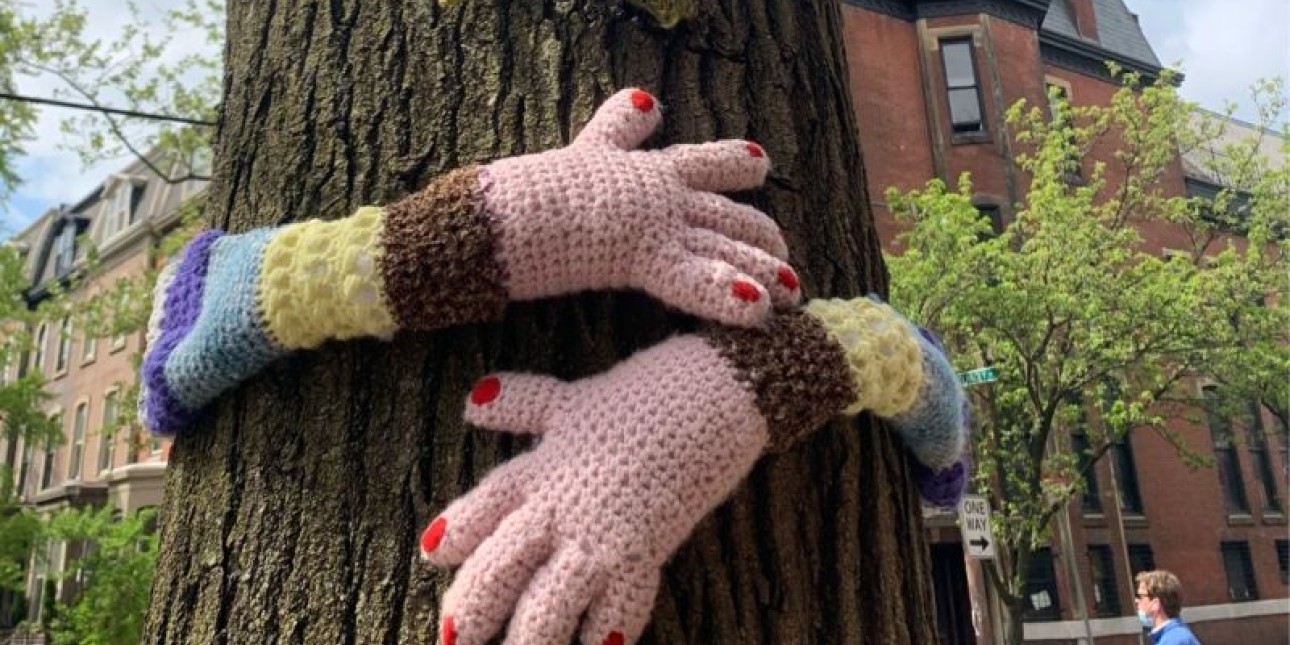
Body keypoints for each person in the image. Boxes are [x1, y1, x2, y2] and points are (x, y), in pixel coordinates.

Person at [1135, 570, 1203, 645]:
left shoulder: (1173, 640)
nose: (1137, 601)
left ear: (1155, 604)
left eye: (1141, 596)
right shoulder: (1176, 636)